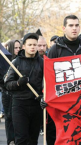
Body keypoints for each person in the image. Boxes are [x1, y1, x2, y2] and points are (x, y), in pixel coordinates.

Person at [41, 15, 81, 145]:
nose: (74, 28)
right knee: (68, 138)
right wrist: (45, 96)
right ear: (64, 28)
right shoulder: (55, 50)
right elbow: (48, 76)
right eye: (71, 25)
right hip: (64, 104)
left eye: (76, 25)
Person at [5, 33, 43, 145]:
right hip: (19, 105)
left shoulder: (42, 62)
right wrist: (18, 83)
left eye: (35, 45)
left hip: (36, 105)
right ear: (24, 46)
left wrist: (44, 95)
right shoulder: (16, 62)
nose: (33, 47)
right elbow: (7, 84)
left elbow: (47, 83)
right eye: (30, 44)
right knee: (21, 139)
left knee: (33, 139)